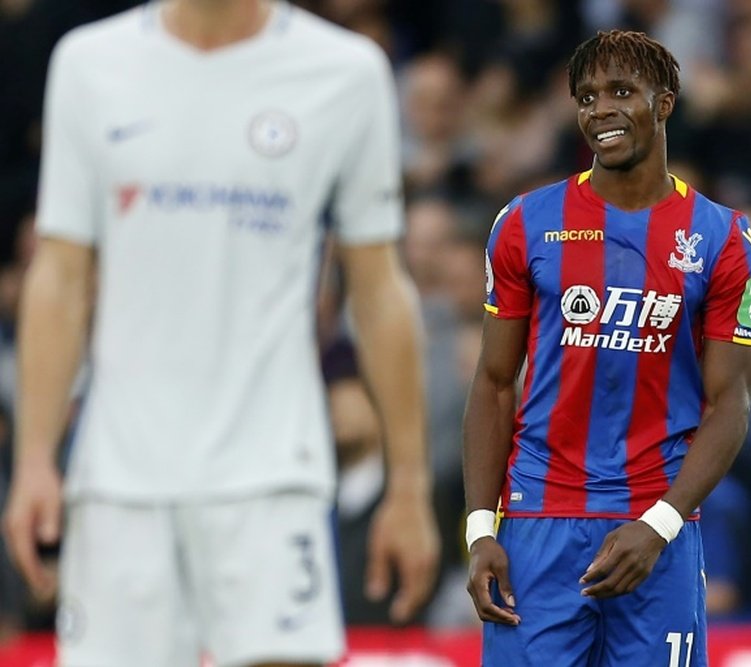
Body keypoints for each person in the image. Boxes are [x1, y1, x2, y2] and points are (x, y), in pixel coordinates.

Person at [1, 2, 440, 666]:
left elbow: (380, 288)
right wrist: (35, 458)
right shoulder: (89, 64)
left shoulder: (345, 73)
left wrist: (407, 485)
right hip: (120, 476)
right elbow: (60, 274)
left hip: (272, 473)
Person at [463, 30, 751, 666]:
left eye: (621, 91)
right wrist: (480, 528)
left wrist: (661, 523)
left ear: (666, 102)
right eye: (587, 97)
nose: (601, 109)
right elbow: (492, 383)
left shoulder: (723, 239)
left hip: (657, 527)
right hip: (537, 524)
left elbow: (730, 402)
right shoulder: (523, 223)